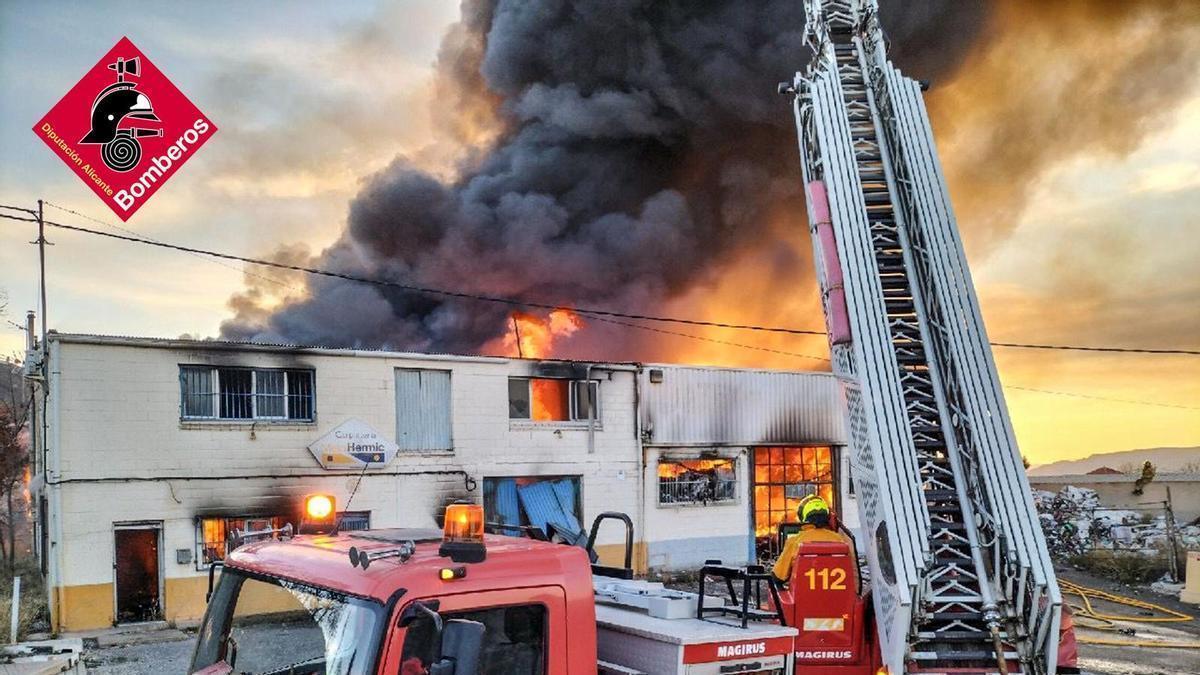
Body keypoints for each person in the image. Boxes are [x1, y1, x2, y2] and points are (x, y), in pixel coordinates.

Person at [772, 494, 852, 586]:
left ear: (803, 517)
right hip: (837, 598)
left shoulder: (795, 541)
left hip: (801, 599)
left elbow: (778, 577)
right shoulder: (840, 540)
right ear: (827, 517)